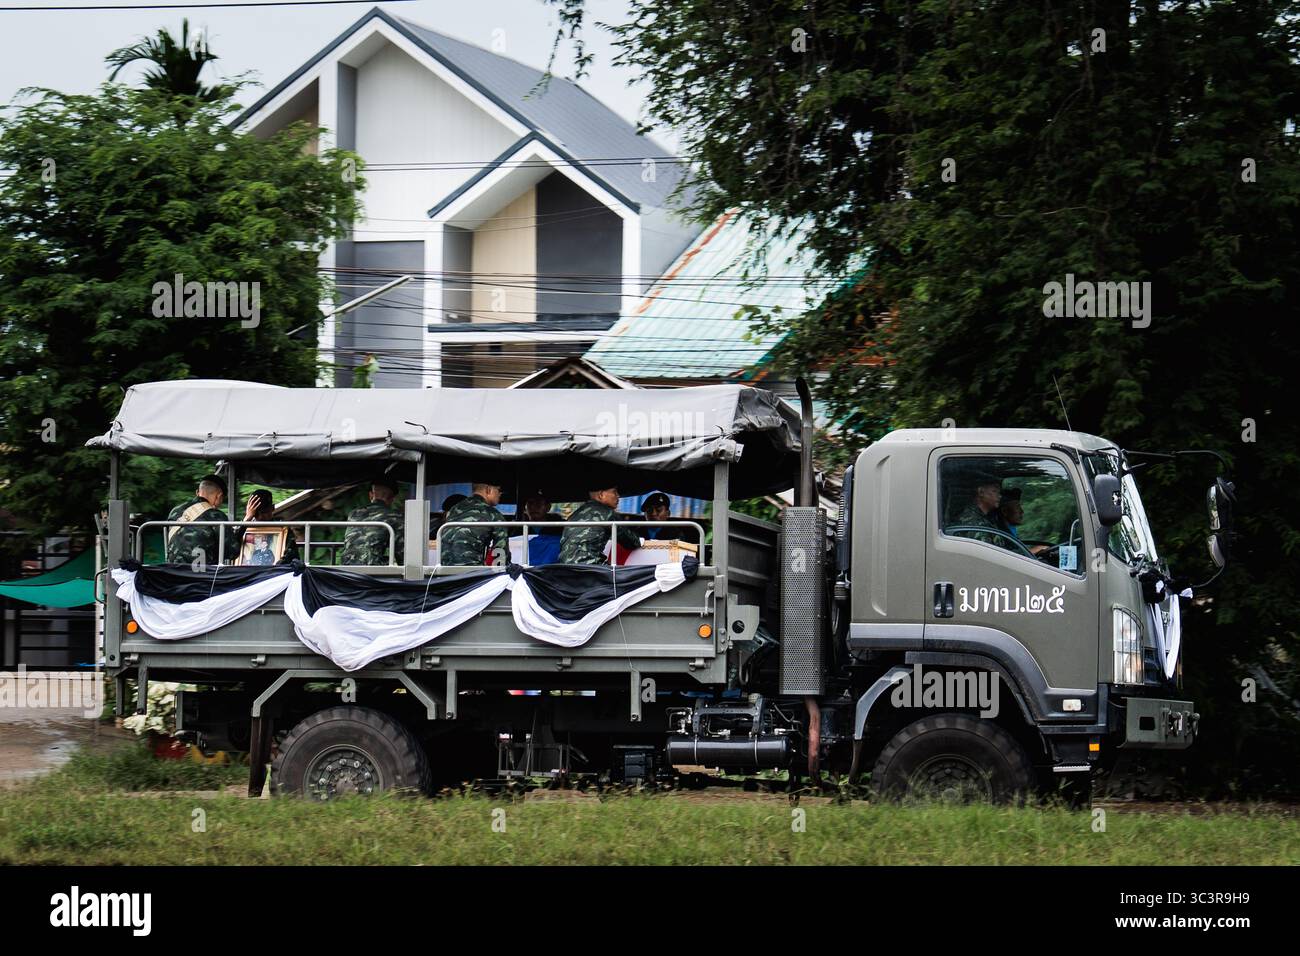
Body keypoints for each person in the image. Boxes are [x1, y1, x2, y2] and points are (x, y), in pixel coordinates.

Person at [166, 474, 244, 566]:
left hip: (172, 571)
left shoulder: (175, 511)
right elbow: (232, 552)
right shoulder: (217, 516)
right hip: (202, 575)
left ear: (197, 492)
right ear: (219, 496)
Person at [560, 486, 642, 566]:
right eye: (614, 491)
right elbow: (632, 542)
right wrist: (642, 540)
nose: (618, 495)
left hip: (565, 567)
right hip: (591, 567)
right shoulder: (608, 514)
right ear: (601, 495)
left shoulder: (574, 514)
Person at [441, 481, 509, 566]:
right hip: (473, 574)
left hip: (445, 571)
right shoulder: (494, 515)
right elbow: (501, 554)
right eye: (498, 490)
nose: (500, 494)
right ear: (488, 490)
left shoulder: (453, 510)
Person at [340, 477, 404, 565]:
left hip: (346, 566)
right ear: (392, 499)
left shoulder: (354, 513)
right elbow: (401, 552)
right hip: (372, 568)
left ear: (370, 495)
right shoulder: (394, 516)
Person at [240, 488, 299, 565]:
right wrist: (247, 519)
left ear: (272, 508)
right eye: (256, 514)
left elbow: (291, 556)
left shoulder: (283, 530)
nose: (260, 517)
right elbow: (233, 550)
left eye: (264, 512)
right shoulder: (244, 529)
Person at [952, 479, 1013, 549]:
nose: (999, 496)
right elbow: (987, 553)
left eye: (999, 492)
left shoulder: (987, 517)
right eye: (994, 491)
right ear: (981, 492)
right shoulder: (972, 521)